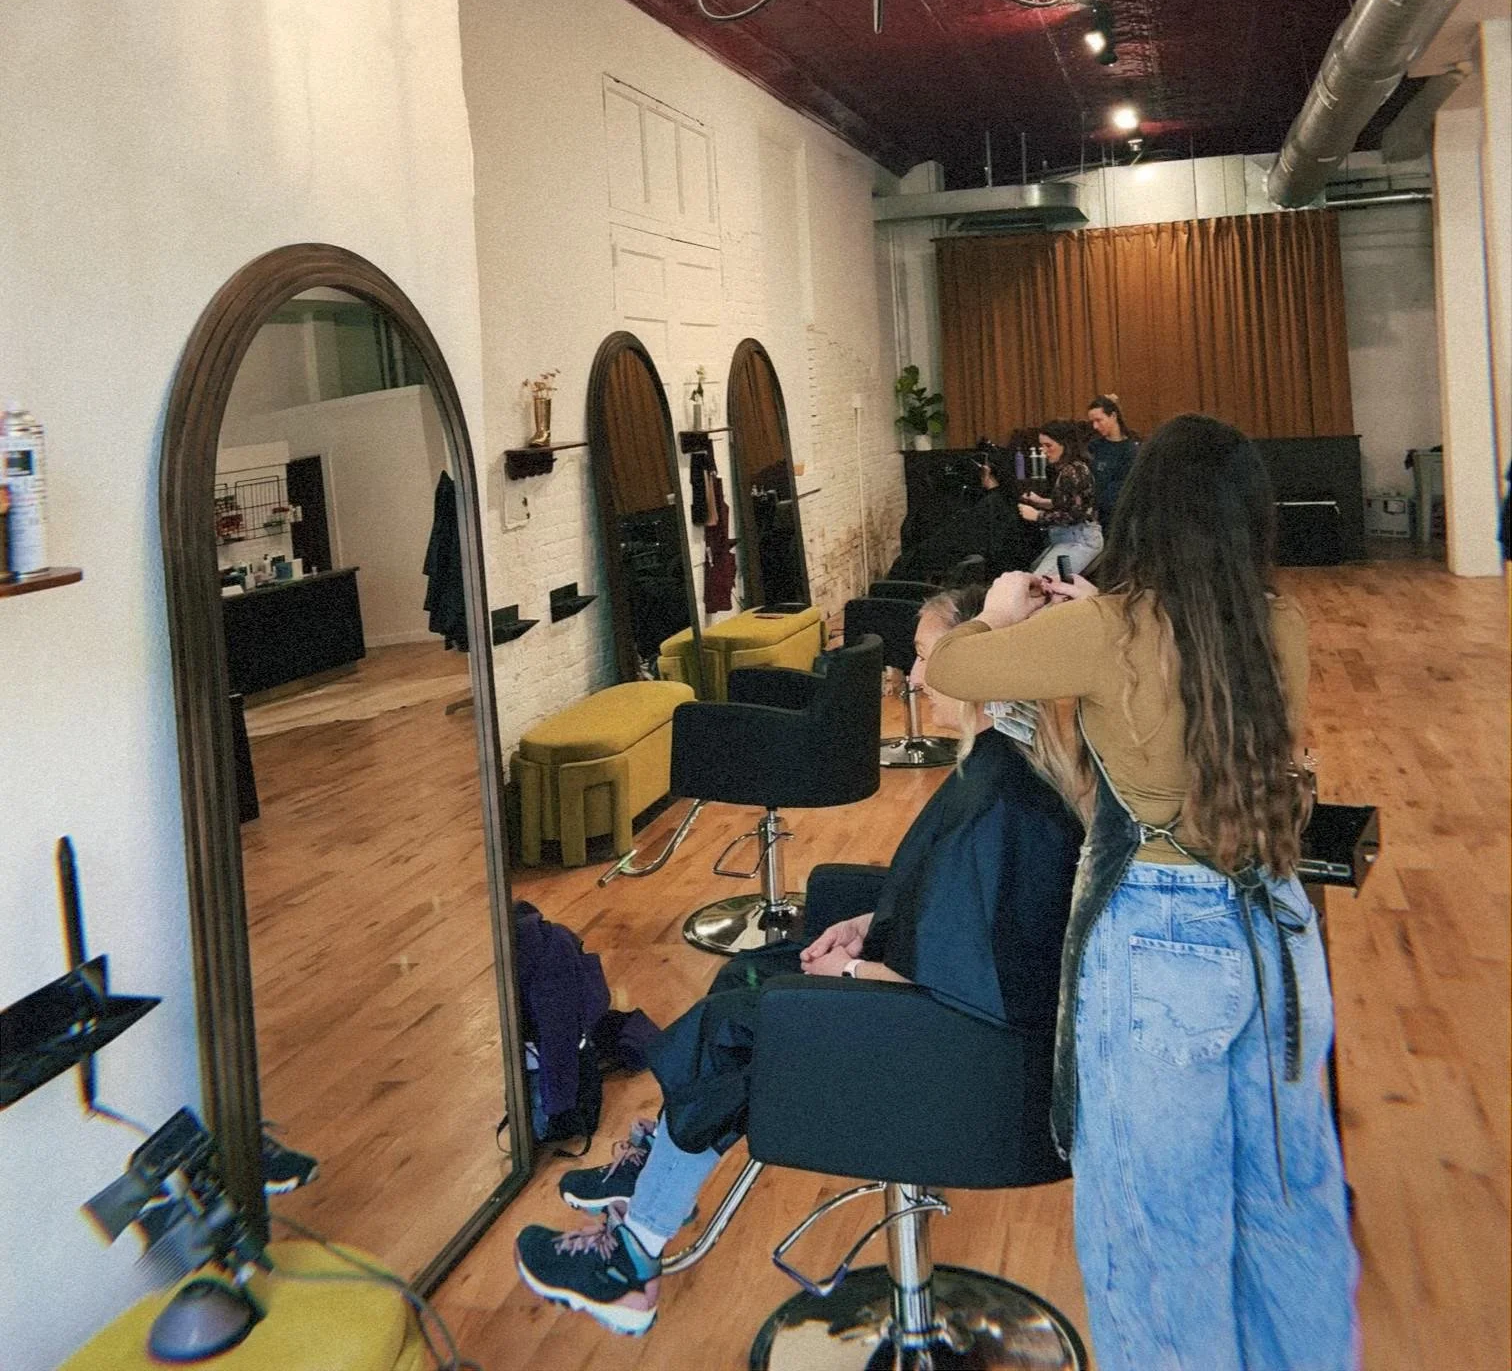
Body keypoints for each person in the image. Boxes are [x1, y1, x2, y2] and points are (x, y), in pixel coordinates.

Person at [513, 583, 1084, 1335]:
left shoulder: (1009, 804)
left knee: (745, 1018)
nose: (911, 682)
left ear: (982, 665)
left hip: (964, 1070)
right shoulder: (1001, 771)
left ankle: (631, 1260)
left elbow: (979, 987)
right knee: (750, 971)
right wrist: (867, 921)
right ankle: (662, 1164)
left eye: (924, 660)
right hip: (947, 1034)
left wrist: (853, 972)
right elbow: (952, 915)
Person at [927, 415, 1358, 1371]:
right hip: (1279, 938)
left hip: (1163, 953)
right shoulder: (1277, 624)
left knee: (1161, 1243)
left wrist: (1004, 611)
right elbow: (1188, 671)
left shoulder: (1104, 632)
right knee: (1292, 1213)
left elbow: (947, 669)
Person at [1018, 419, 1101, 576]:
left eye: (1048, 446)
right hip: (1072, 537)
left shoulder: (1073, 471)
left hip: (1079, 540)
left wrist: (1037, 515)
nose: (1044, 451)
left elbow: (1075, 515)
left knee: (1042, 583)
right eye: (1042, 445)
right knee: (1036, 576)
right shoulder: (1072, 469)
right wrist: (1042, 502)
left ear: (1065, 444)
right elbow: (1071, 505)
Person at [1086, 392, 1139, 525]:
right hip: (1095, 517)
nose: (1095, 426)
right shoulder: (1093, 446)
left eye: (1099, 420)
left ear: (1113, 416)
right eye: (1092, 422)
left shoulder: (1131, 451)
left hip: (1118, 517)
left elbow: (1122, 489)